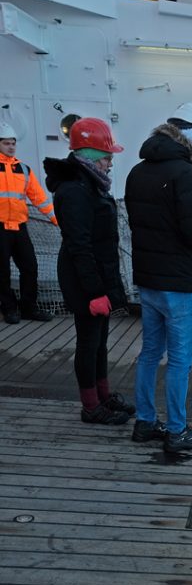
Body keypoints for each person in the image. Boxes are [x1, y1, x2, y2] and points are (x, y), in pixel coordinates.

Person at [125, 102, 192, 452]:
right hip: (179, 284)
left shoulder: (137, 172)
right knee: (180, 360)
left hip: (148, 280)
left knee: (150, 353)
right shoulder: (185, 174)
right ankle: (177, 431)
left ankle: (145, 423)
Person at [43, 118, 135, 425]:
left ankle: (103, 395)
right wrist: (95, 292)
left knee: (99, 343)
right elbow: (79, 245)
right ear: (94, 158)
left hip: (97, 277)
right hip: (84, 281)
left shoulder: (90, 184)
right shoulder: (74, 191)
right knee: (88, 342)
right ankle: (91, 406)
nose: (111, 163)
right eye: (108, 157)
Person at [0, 121, 57, 324]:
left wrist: (57, 220)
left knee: (30, 267)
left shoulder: (23, 170)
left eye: (13, 143)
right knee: (2, 273)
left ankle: (28, 308)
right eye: (6, 143)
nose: (11, 147)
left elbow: (39, 198)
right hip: (1, 228)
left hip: (19, 227)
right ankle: (9, 309)